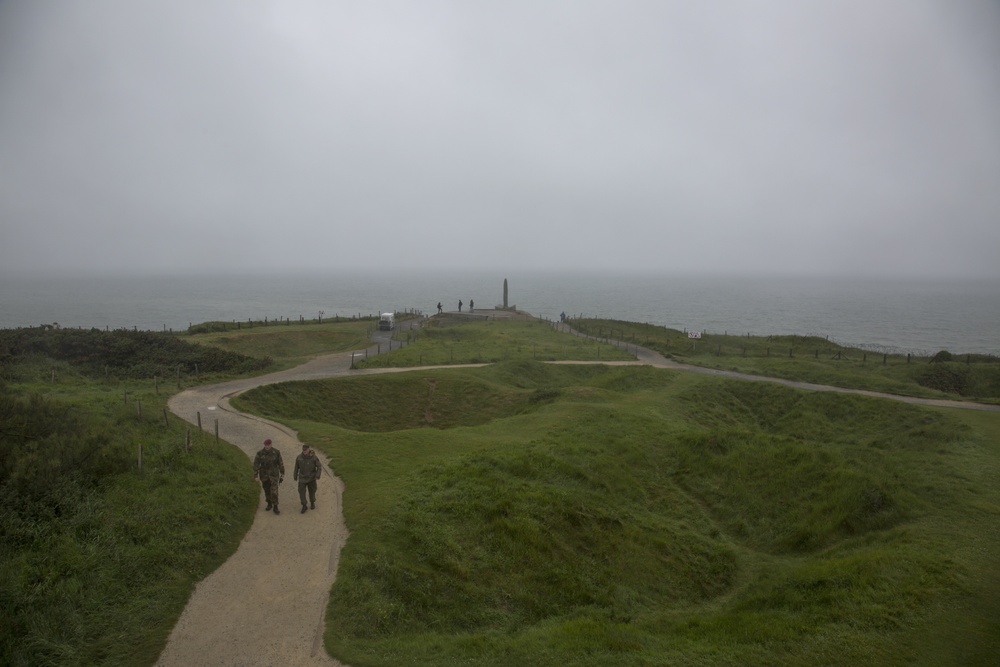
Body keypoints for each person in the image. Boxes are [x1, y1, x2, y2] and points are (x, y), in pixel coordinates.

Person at [253, 438, 285, 514]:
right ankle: (269, 503)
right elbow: (256, 464)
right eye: (265, 445)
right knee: (267, 490)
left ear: (271, 444)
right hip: (264, 475)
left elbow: (280, 463)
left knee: (274, 491)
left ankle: (275, 506)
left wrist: (282, 474)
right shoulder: (260, 453)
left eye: (268, 445)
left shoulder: (276, 452)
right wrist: (255, 475)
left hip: (274, 475)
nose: (267, 446)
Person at [293, 443, 322, 513]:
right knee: (301, 492)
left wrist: (318, 474)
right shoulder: (299, 458)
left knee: (312, 491)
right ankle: (304, 505)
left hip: (311, 478)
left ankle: (312, 502)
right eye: (303, 450)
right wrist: (295, 475)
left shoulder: (314, 457)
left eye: (306, 450)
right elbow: (296, 467)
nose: (304, 451)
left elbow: (319, 466)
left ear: (309, 449)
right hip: (302, 478)